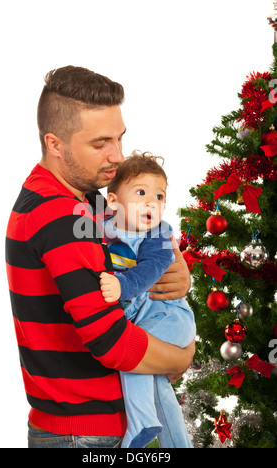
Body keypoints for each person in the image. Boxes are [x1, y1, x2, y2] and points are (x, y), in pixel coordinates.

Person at [5, 66, 194, 449]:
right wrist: (181, 357)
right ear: (55, 144)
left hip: (92, 425)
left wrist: (175, 272)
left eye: (120, 139)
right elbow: (111, 341)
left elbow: (138, 246)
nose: (118, 157)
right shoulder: (62, 216)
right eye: (100, 144)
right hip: (85, 434)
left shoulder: (85, 201)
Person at [99, 151, 196, 448]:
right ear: (114, 201)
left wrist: (121, 286)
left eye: (159, 196)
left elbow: (149, 272)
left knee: (132, 353)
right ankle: (177, 442)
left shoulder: (158, 235)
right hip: (149, 317)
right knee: (158, 387)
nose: (151, 202)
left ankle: (140, 423)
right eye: (141, 193)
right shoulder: (102, 227)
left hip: (170, 318)